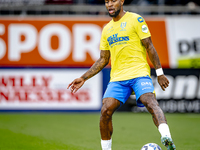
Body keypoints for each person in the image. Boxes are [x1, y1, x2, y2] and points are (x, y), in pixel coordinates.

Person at [67, 0, 176, 149]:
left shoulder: (135, 19)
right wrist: (84, 77)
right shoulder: (107, 29)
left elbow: (149, 46)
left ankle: (166, 136)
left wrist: (159, 73)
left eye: (113, 0)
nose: (109, 4)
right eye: (106, 1)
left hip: (139, 73)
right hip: (118, 78)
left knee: (149, 101)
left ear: (122, 1)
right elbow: (103, 59)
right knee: (105, 110)